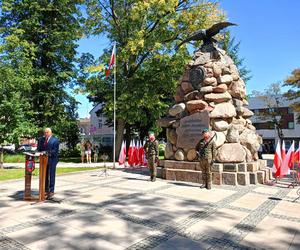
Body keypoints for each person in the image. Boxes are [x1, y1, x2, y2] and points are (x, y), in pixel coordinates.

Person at [37, 128, 59, 199]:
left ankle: (51, 191)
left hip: (52, 160)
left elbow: (55, 151)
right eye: (44, 132)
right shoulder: (42, 140)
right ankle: (46, 190)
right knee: (45, 175)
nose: (45, 134)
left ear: (50, 133)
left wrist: (46, 152)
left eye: (47, 132)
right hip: (43, 160)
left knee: (51, 175)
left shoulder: (55, 140)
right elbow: (39, 149)